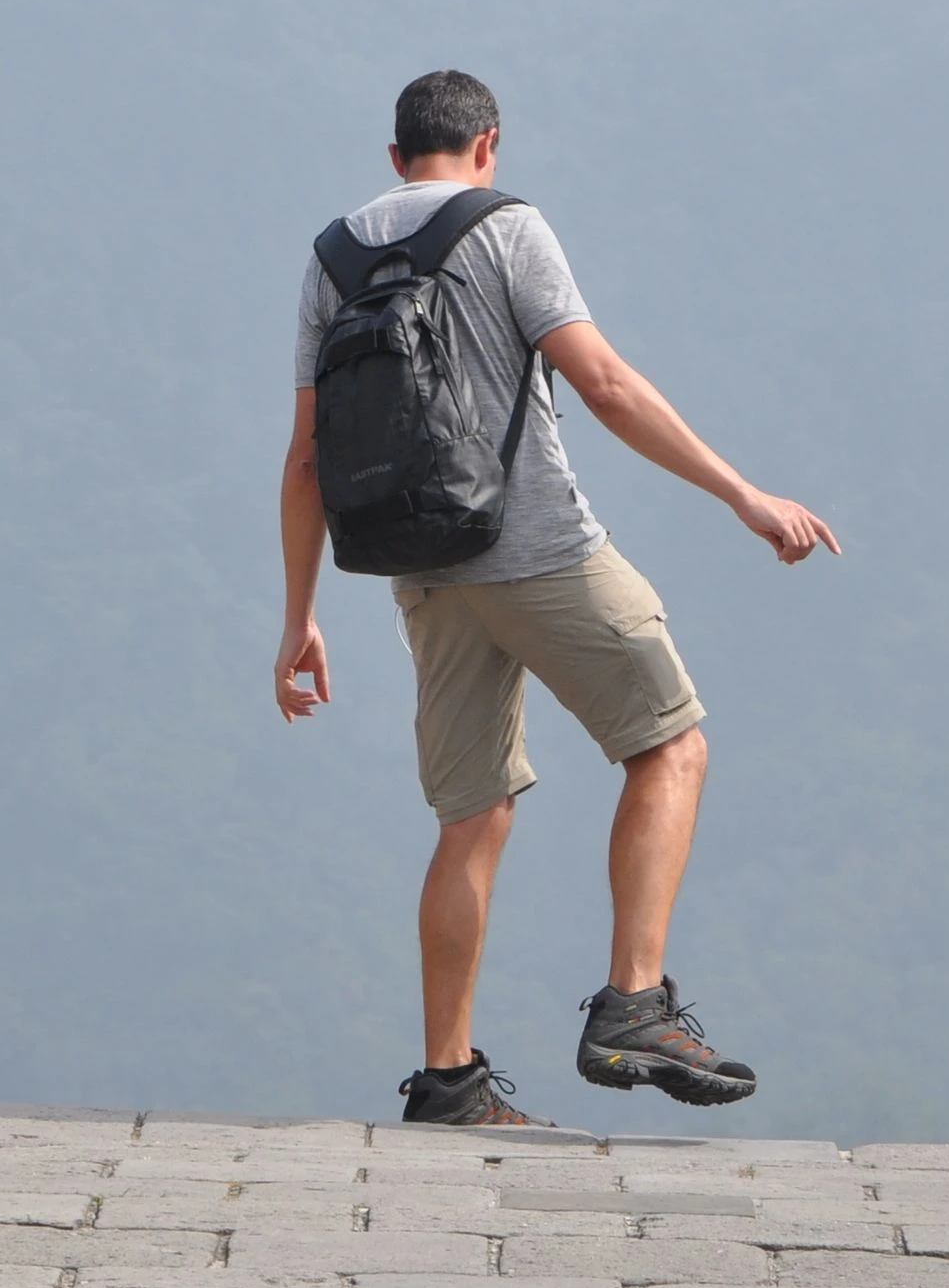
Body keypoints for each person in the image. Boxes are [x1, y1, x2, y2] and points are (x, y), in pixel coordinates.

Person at [276, 69, 841, 1128]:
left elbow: (307, 459)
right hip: (539, 550)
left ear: (398, 156)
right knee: (670, 745)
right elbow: (607, 386)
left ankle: (449, 1081)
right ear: (487, 147)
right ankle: (634, 1004)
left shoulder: (332, 256)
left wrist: (299, 615)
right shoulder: (507, 227)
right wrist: (743, 495)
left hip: (421, 568)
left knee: (471, 817)